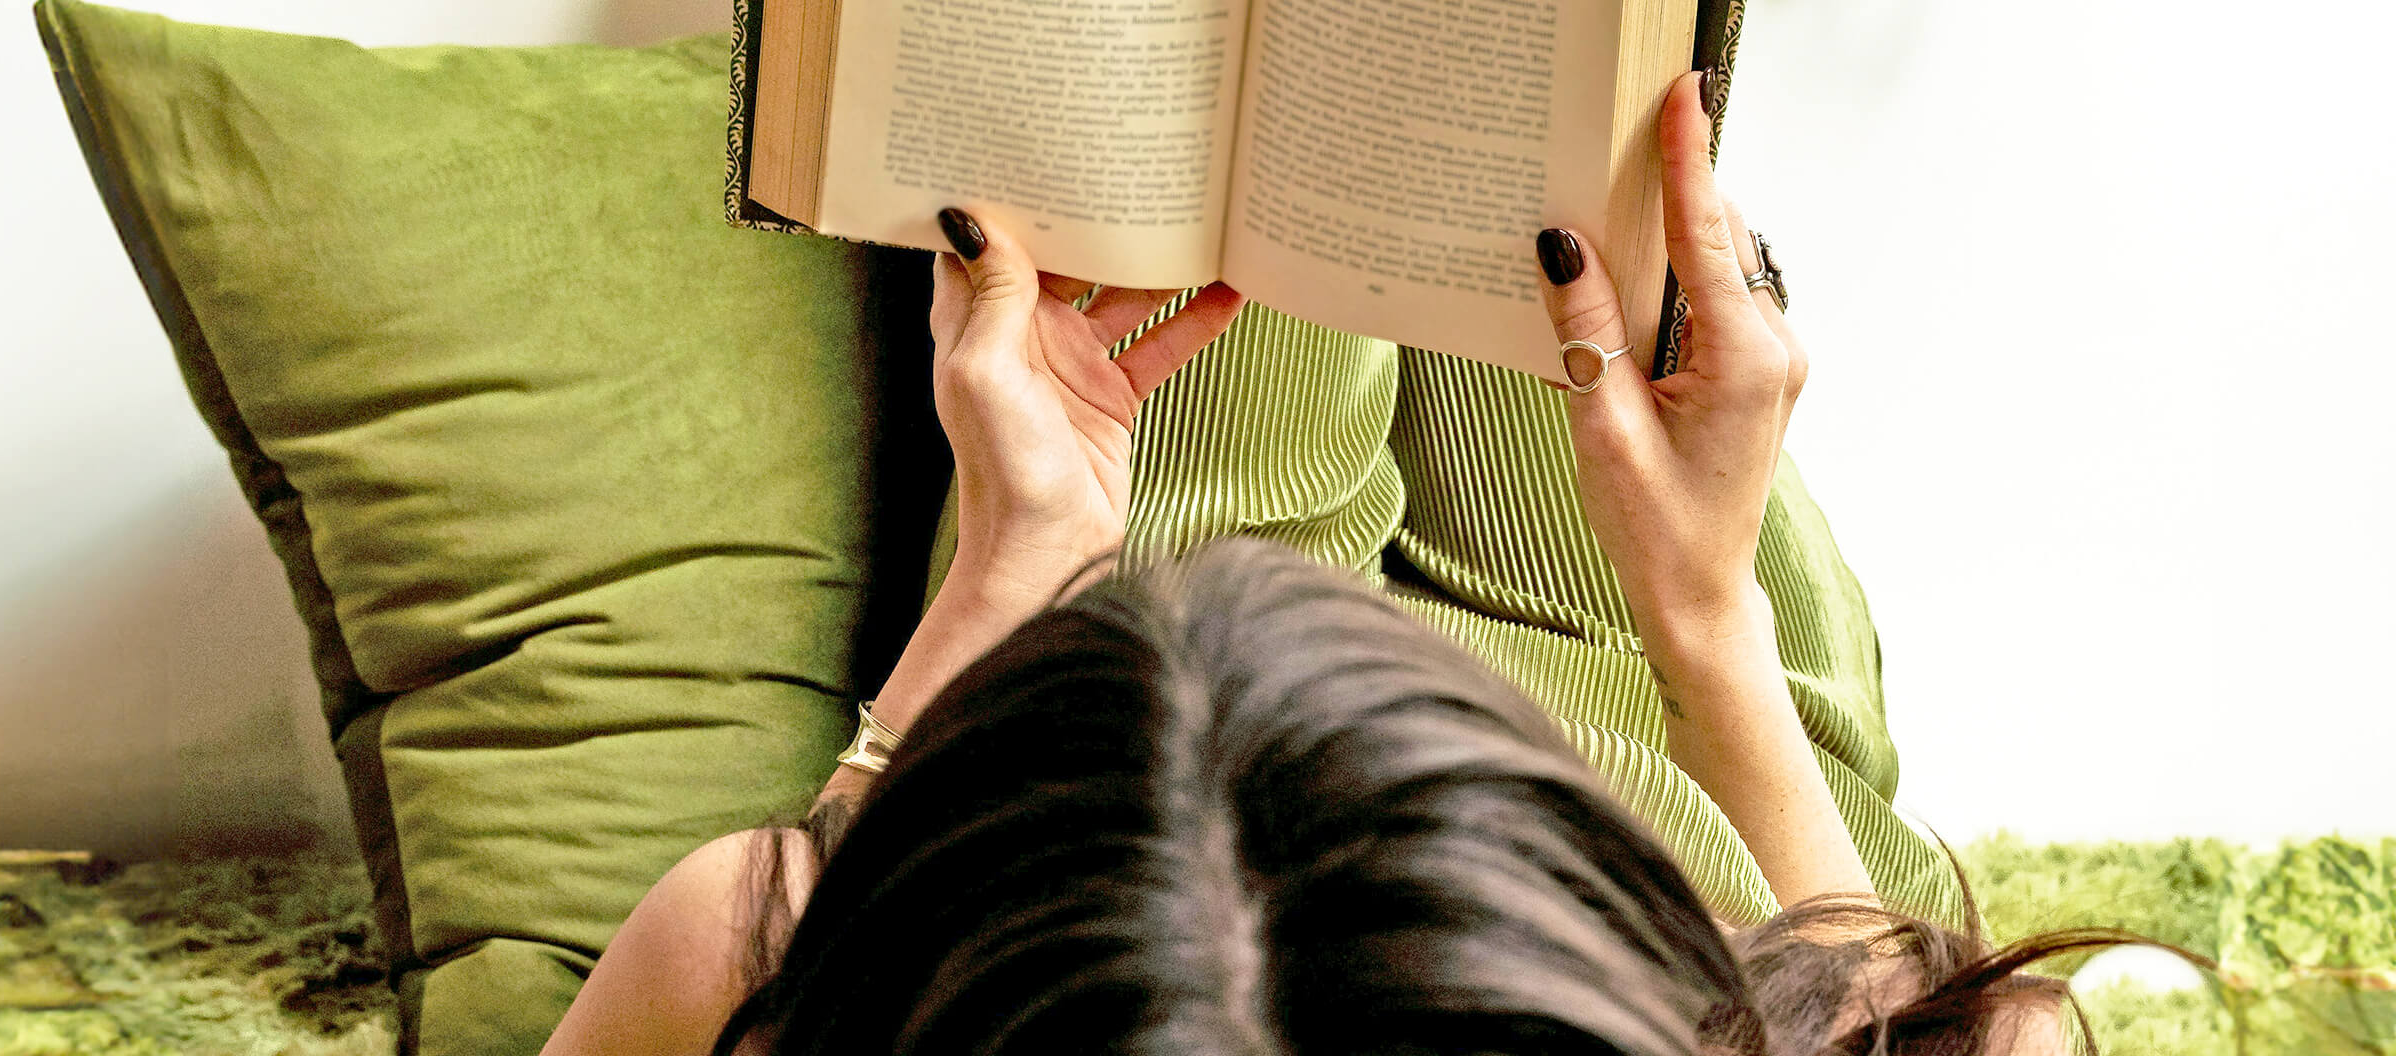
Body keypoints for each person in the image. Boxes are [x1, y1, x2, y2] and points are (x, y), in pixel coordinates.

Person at [540, 72, 2141, 1055]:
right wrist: (1707, 612)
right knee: (1485, 98)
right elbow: (1905, 1006)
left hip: (1098, 750)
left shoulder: (751, 957)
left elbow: (810, 938)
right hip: (1664, 780)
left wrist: (1017, 562)